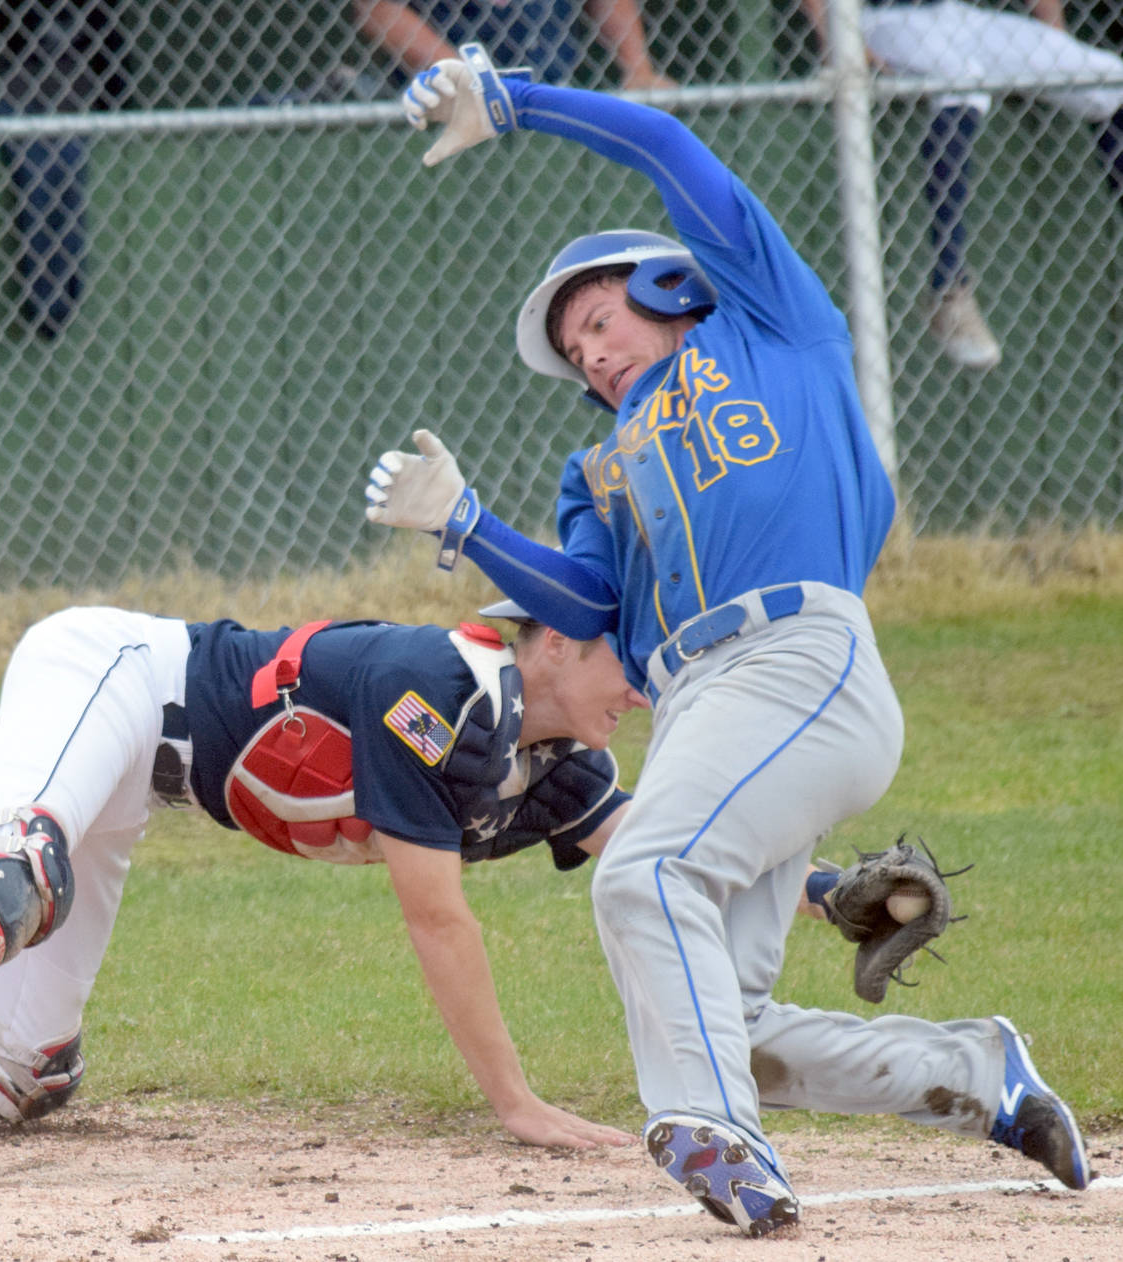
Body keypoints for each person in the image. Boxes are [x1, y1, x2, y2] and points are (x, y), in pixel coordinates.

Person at [363, 46, 1092, 1235]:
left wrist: (522, 104)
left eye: (598, 318)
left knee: (646, 873)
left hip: (797, 656)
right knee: (724, 1015)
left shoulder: (763, 321)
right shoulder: (596, 464)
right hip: (702, 701)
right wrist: (467, 525)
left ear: (662, 285)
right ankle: (977, 1071)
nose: (590, 353)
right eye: (575, 350)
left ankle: (713, 1136)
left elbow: (669, 150)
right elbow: (590, 603)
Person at [0, 604, 652, 1186]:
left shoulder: (550, 759)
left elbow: (667, 859)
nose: (641, 682)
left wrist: (819, 890)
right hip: (114, 671)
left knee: (13, 1073)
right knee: (17, 871)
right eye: (623, 651)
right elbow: (437, 918)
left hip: (149, 775)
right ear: (552, 636)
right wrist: (515, 1103)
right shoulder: (441, 681)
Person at [803, 0, 1123, 369]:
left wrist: (1053, 36)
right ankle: (949, 290)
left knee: (1110, 77)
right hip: (884, 17)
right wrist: (834, 38)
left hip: (963, 18)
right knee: (963, 79)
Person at [0, 0, 134, 339]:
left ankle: (55, 301)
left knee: (65, 159)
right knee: (39, 162)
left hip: (77, 101)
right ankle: (48, 300)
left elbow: (117, 81)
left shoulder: (98, 12)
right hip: (16, 100)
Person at [352, 1, 675, 92]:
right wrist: (474, 80)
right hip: (441, 109)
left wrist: (638, 69)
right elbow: (378, 9)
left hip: (551, 93)